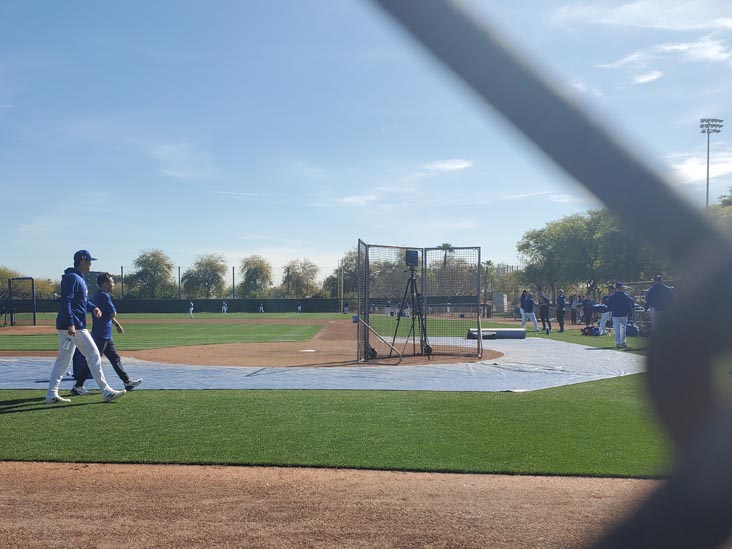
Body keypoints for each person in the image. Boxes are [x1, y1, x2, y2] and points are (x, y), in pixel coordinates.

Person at [44, 250, 125, 404]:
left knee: (63, 360)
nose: (91, 264)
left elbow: (82, 301)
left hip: (71, 325)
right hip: (75, 326)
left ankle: (51, 393)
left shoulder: (78, 278)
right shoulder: (72, 278)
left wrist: (93, 307)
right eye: (89, 261)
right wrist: (71, 323)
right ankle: (106, 391)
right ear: (82, 261)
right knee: (94, 354)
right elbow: (66, 301)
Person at [69, 273, 143, 395]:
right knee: (93, 360)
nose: (113, 284)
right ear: (104, 284)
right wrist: (115, 317)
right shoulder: (104, 296)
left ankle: (127, 381)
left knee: (114, 358)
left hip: (104, 335)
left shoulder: (97, 295)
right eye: (111, 282)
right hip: (101, 335)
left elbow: (108, 315)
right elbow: (112, 313)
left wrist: (117, 325)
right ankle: (78, 386)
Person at [607, 282, 635, 349]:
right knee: (623, 329)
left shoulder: (612, 296)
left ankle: (618, 343)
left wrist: (612, 309)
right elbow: (629, 306)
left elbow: (608, 305)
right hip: (624, 314)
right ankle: (623, 342)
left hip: (616, 315)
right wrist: (630, 314)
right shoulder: (625, 296)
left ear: (615, 288)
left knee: (617, 329)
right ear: (621, 287)